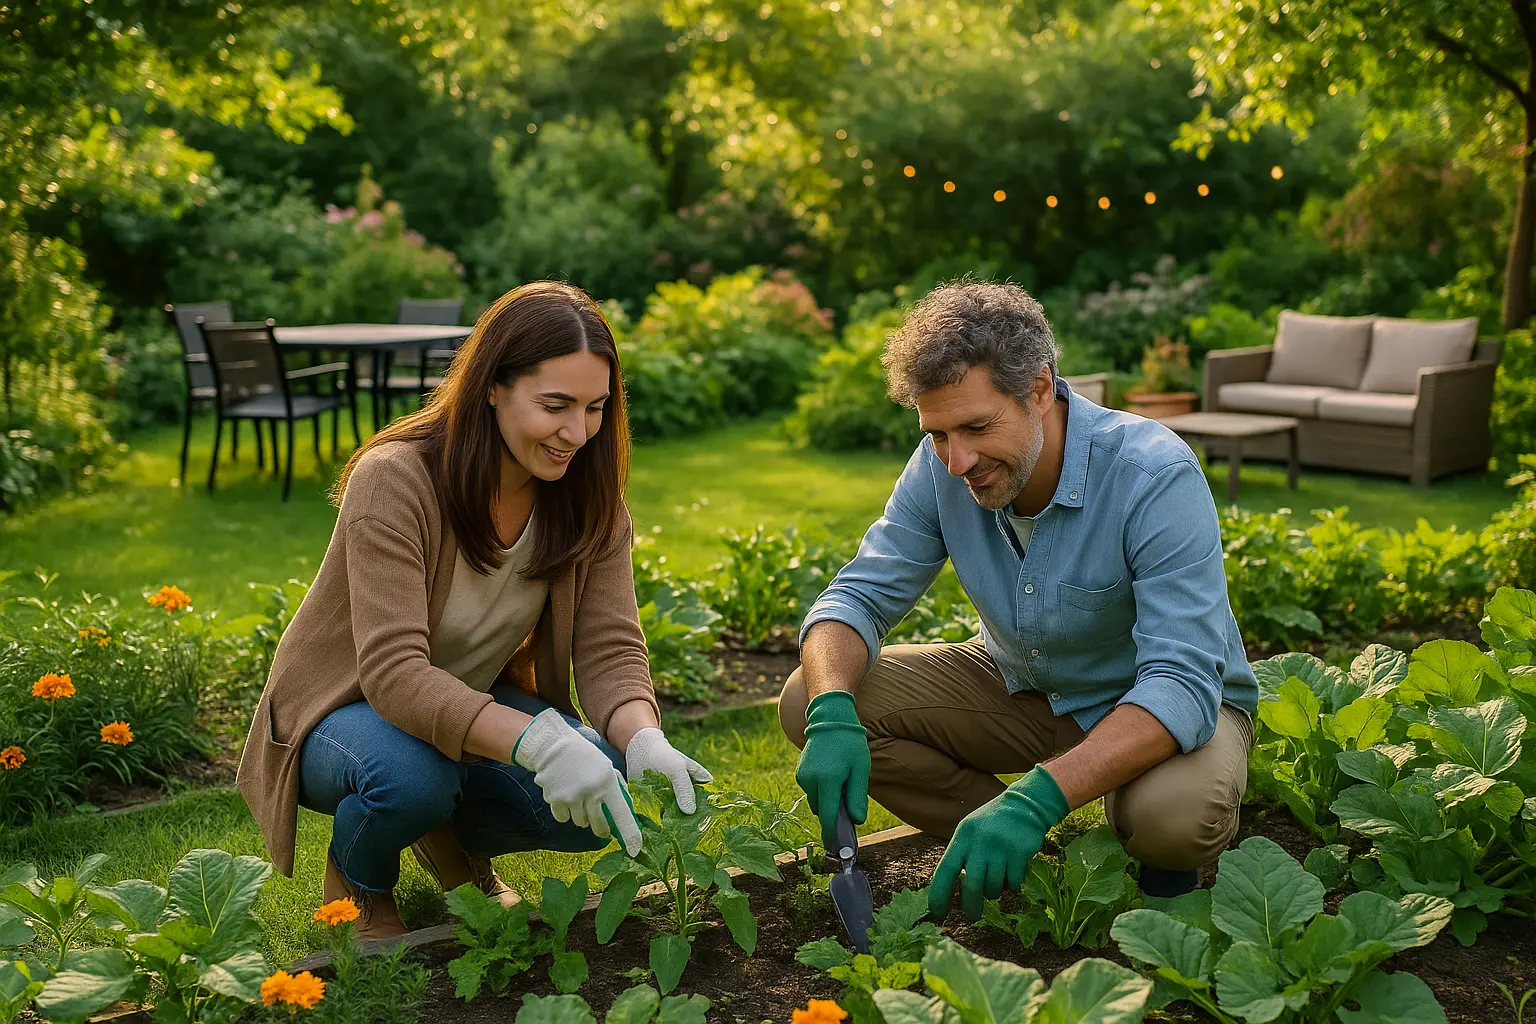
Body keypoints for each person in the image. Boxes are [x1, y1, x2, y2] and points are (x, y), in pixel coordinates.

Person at [237, 282, 711, 938]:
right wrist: (541, 742)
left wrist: (642, 737)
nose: (577, 433)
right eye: (556, 406)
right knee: (410, 779)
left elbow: (609, 647)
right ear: (492, 386)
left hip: (463, 702)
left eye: (596, 408)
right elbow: (394, 675)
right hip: (341, 711)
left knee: (592, 801)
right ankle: (360, 878)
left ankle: (453, 845)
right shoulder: (396, 480)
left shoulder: (587, 501)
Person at [779, 281, 1258, 922]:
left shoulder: (1153, 475)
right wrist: (832, 710)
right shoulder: (940, 464)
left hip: (1154, 705)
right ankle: (1009, 848)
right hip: (1025, 685)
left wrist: (1037, 796)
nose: (957, 460)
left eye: (977, 427)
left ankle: (1156, 899)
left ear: (1039, 389)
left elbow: (1180, 683)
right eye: (939, 433)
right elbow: (857, 596)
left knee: (1171, 819)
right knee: (807, 697)